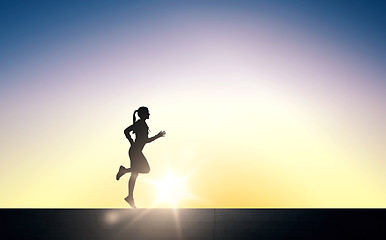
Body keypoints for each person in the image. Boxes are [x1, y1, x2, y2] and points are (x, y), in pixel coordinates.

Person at [116, 106, 166, 208]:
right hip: (135, 152)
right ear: (143, 114)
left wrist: (132, 143)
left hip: (136, 151)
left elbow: (143, 140)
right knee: (146, 169)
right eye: (147, 112)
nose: (149, 114)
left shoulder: (142, 124)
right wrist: (157, 136)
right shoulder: (140, 124)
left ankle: (130, 197)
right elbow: (127, 131)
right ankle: (124, 171)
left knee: (134, 174)